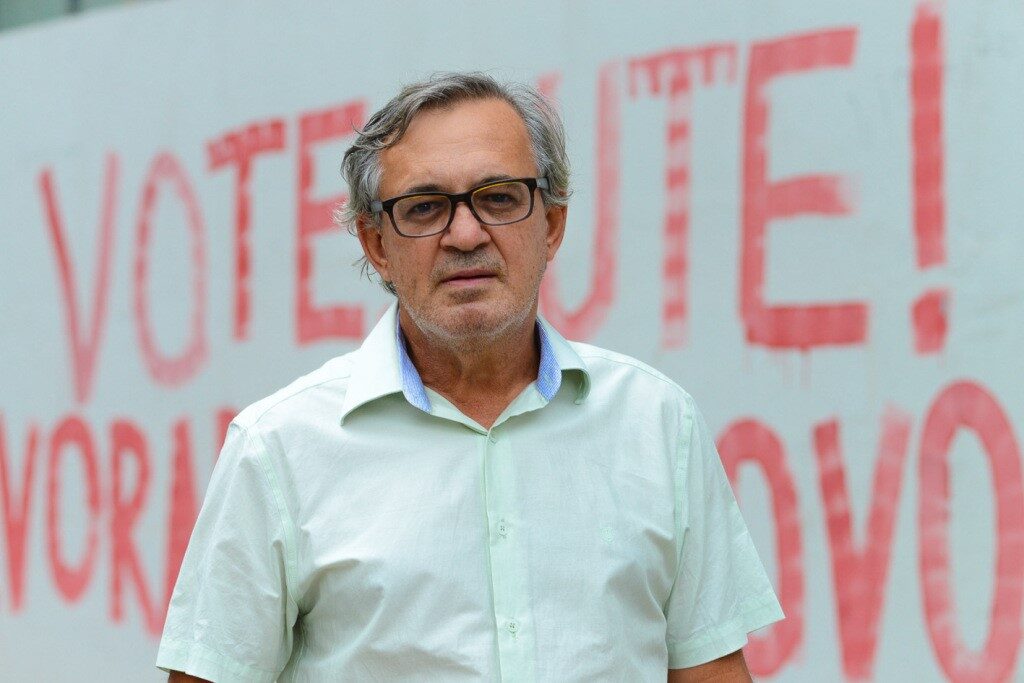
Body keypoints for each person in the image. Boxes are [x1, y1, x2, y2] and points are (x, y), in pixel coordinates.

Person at [158, 72, 783, 682]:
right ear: (377, 245)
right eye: (424, 207)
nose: (464, 234)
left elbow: (711, 667)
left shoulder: (657, 422)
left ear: (552, 225)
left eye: (499, 197)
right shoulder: (278, 449)